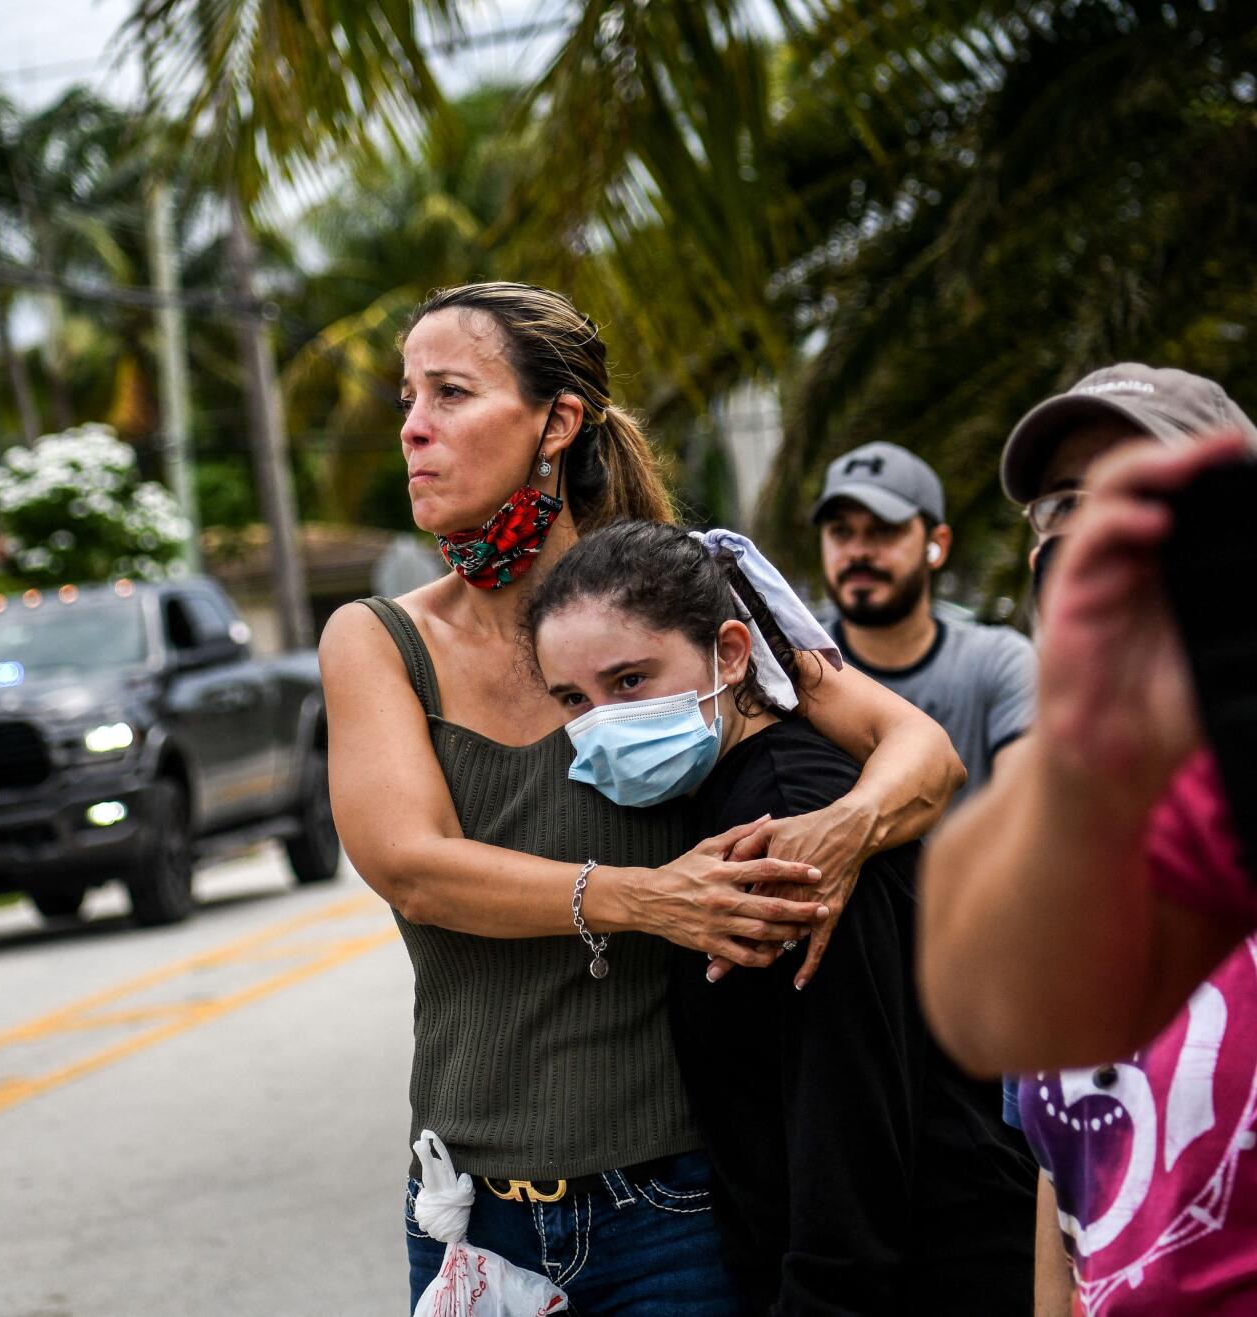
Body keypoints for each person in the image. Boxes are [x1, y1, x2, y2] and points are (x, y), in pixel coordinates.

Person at [318, 281, 966, 1312]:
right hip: (468, 1215)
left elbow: (918, 747)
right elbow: (408, 863)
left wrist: (840, 830)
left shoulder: (686, 595)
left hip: (678, 1202)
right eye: (407, 398)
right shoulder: (378, 639)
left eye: (448, 393)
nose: (411, 428)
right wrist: (647, 896)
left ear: (554, 422)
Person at [525, 519, 1034, 1314]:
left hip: (928, 1272)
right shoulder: (722, 803)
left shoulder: (788, 822)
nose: (603, 723)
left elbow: (849, 1117)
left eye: (629, 681)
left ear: (730, 652)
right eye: (572, 700)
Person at [918, 364, 1257, 1315]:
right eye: (1063, 506)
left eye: (1138, 491)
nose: (1091, 533)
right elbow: (1006, 1048)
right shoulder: (1090, 805)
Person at [813, 441, 1034, 805]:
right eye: (840, 531)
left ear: (938, 545)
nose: (858, 551)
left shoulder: (1000, 661)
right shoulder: (792, 668)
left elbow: (1029, 809)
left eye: (883, 530)